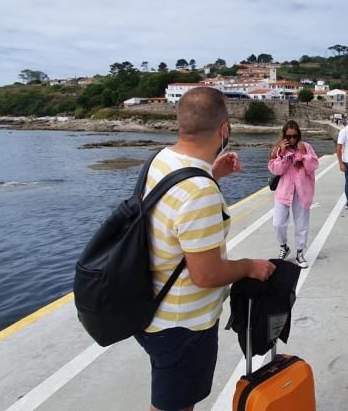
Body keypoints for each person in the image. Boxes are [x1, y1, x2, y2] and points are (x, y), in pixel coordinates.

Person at [136, 87, 276, 411]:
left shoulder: (159, 160)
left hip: (149, 307)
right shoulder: (199, 191)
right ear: (224, 129)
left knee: (169, 400)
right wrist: (249, 266)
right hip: (183, 325)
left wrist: (212, 174)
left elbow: (173, 206)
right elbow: (207, 274)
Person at [269, 120, 319, 269]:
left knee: (302, 224)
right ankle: (283, 246)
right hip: (284, 191)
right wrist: (283, 155)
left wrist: (304, 155)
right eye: (289, 136)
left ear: (299, 135)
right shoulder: (278, 150)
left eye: (295, 136)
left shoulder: (306, 147)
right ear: (284, 136)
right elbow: (275, 170)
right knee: (278, 223)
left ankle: (299, 252)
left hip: (302, 191)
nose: (292, 140)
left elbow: (313, 166)